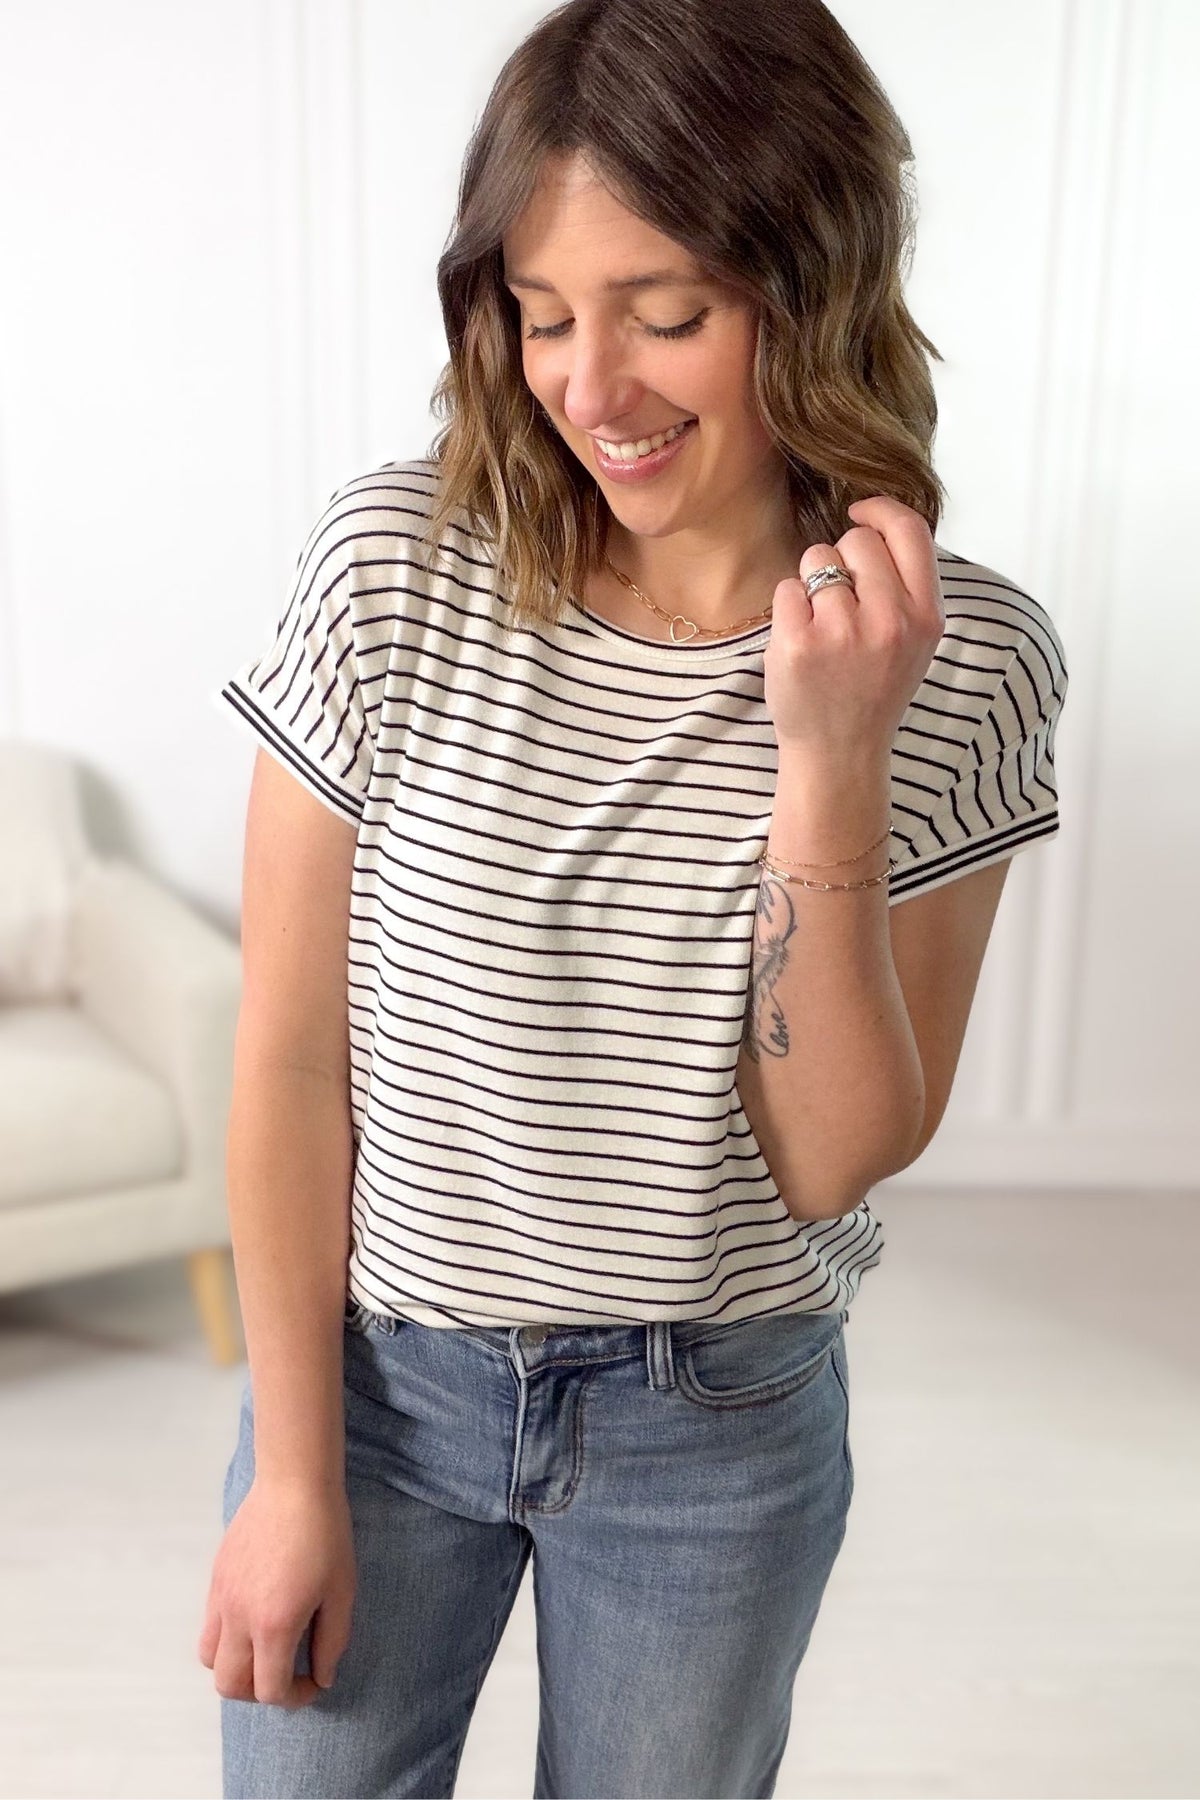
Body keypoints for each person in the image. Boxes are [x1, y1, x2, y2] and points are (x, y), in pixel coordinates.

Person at [198, 0, 1069, 1794]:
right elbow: (289, 1059)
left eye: (668, 314)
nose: (592, 387)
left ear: (810, 284)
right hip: (379, 1394)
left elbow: (830, 1154)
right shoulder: (392, 569)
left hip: (719, 1420)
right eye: (540, 313)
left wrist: (825, 754)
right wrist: (293, 1475)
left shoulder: (960, 659)